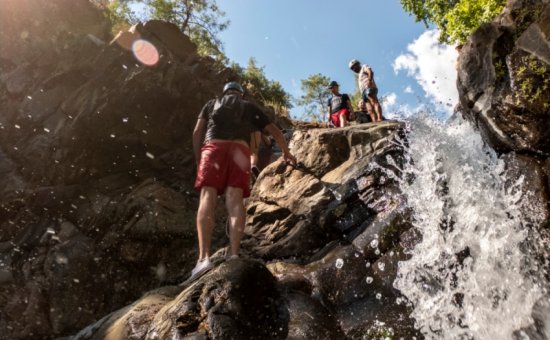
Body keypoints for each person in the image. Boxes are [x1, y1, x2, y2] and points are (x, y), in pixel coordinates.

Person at [191, 81, 297, 279]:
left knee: (207, 197)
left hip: (213, 146)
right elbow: (274, 129)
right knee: (235, 199)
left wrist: (199, 159)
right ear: (241, 94)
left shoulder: (211, 103)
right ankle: (233, 254)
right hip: (240, 150)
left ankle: (203, 259)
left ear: (225, 92)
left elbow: (197, 132)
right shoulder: (248, 107)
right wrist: (286, 152)